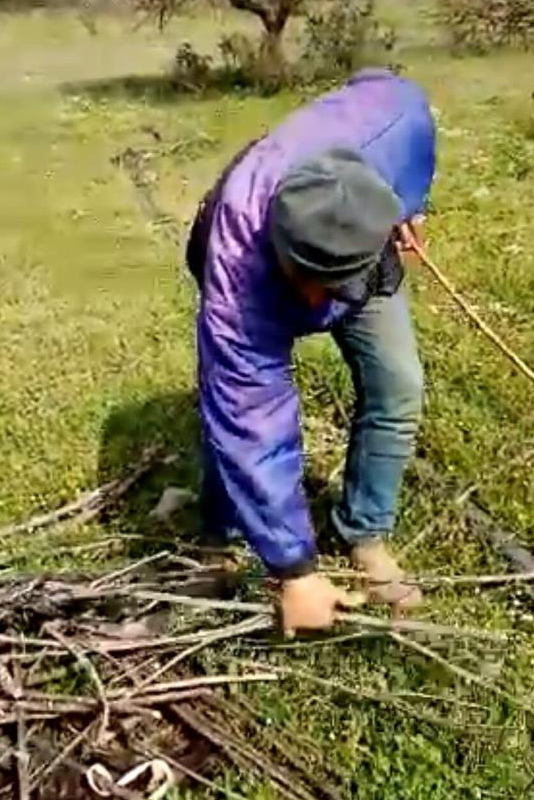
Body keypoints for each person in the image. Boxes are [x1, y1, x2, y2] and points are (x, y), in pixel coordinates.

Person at [184, 68, 434, 633]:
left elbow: (407, 125)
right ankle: (219, 538)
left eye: (332, 284)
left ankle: (364, 532)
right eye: (309, 282)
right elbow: (251, 411)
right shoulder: (239, 267)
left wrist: (410, 206)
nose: (319, 300)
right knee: (231, 408)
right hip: (252, 262)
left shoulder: (392, 123)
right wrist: (295, 571)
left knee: (399, 383)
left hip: (363, 242)